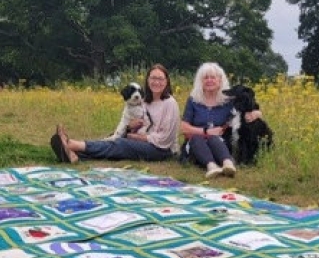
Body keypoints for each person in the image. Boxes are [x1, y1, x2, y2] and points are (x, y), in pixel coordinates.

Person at [50, 63, 180, 164]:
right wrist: (129, 128)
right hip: (143, 141)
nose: (156, 82)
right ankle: (74, 155)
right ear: (147, 80)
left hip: (161, 150)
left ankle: (72, 144)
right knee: (112, 139)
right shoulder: (143, 100)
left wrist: (137, 137)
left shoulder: (170, 103)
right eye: (153, 78)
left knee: (121, 144)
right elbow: (132, 125)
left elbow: (165, 139)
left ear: (167, 81)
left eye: (160, 79)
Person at [180, 62, 262, 179]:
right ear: (200, 81)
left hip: (219, 144)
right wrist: (206, 131)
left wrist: (257, 113)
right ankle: (212, 167)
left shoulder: (228, 101)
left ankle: (228, 164)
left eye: (213, 77)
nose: (209, 80)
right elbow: (184, 127)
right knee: (197, 138)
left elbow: (249, 108)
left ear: (220, 81)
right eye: (206, 78)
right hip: (196, 143)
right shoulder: (193, 100)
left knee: (214, 139)